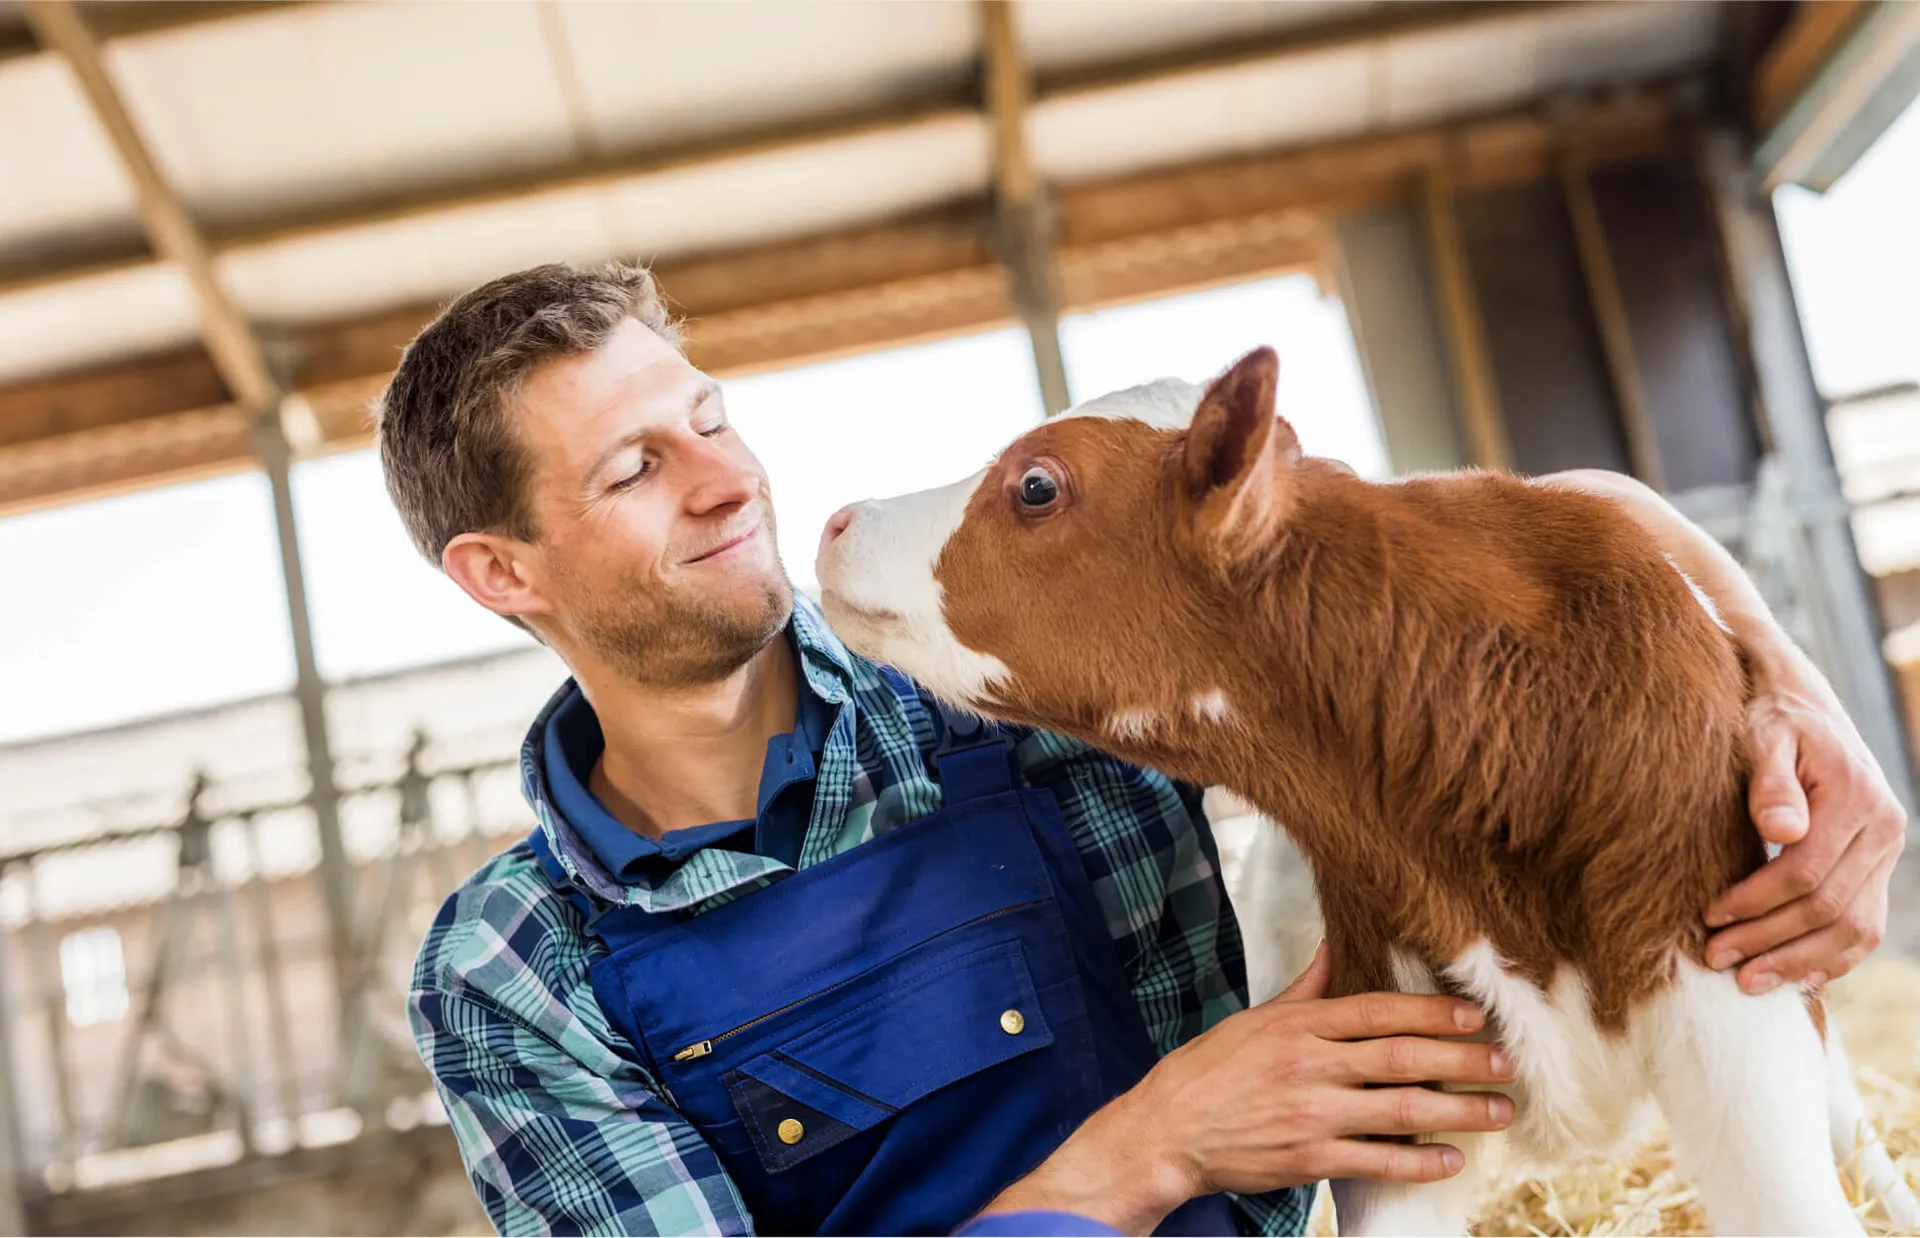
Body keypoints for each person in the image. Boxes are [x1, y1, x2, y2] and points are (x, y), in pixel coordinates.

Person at [386, 261, 1905, 1237]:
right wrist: (1148, 1152)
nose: (729, 483)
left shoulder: (1032, 696)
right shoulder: (516, 969)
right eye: (639, 466)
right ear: (502, 572)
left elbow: (1401, 541)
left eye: (710, 417)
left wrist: (1778, 680)